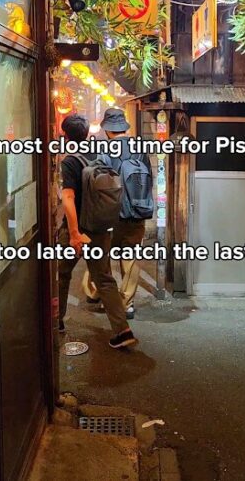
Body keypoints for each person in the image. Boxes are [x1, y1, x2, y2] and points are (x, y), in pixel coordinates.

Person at [57, 113, 139, 349]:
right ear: (87, 133)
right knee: (104, 279)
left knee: (62, 275)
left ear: (66, 135)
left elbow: (69, 198)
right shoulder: (99, 155)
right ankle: (123, 331)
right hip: (101, 228)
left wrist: (73, 233)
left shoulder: (70, 161)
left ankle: (56, 321)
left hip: (79, 229)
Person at [100, 108, 150, 318]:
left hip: (111, 214)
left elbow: (98, 183)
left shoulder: (104, 151)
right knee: (129, 257)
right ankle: (127, 303)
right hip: (137, 212)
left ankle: (107, 299)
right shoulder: (139, 149)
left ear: (108, 130)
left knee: (101, 256)